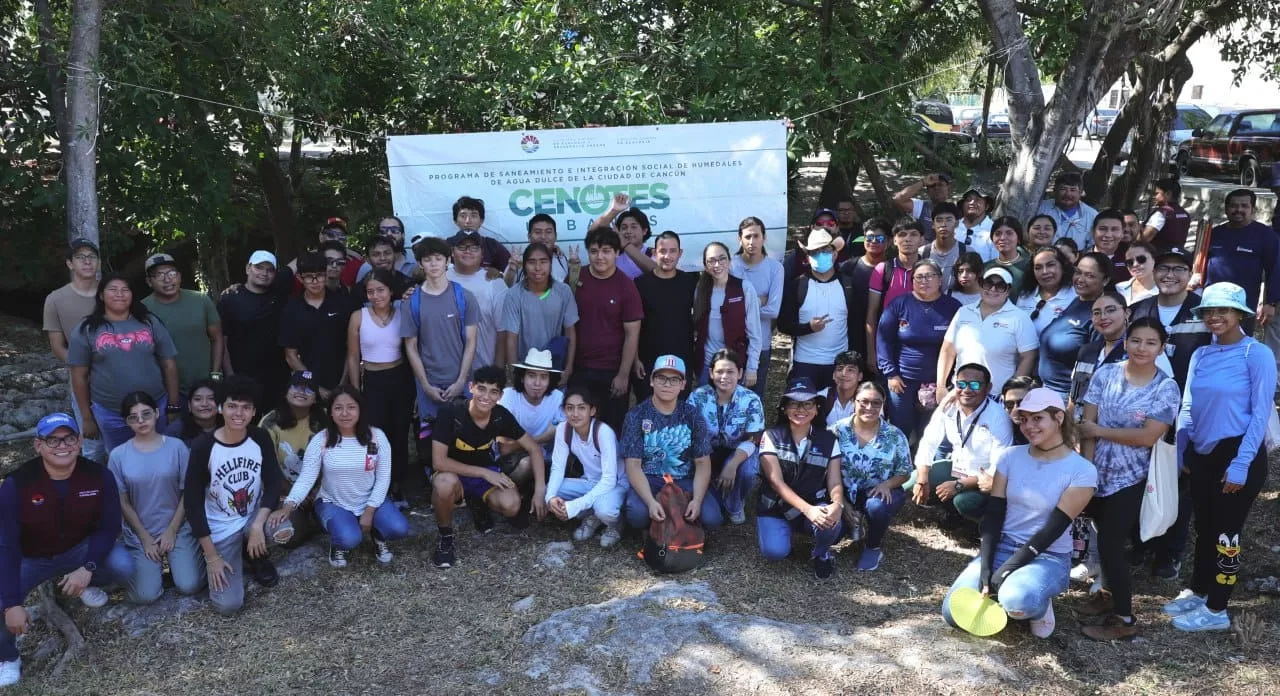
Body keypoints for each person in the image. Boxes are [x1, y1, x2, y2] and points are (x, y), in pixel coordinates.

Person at [941, 388, 1096, 639]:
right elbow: (994, 515)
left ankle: (1038, 603)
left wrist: (1005, 570)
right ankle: (1010, 589)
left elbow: (1052, 529)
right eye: (1024, 419)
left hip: (1048, 555)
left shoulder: (1082, 470)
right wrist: (987, 566)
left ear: (1058, 418)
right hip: (1004, 545)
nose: (1029, 426)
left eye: (1038, 418)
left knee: (1017, 601)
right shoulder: (1010, 457)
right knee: (952, 613)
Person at [1167, 282, 1276, 632]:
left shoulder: (1256, 354)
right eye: (1209, 311)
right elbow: (1187, 405)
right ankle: (1200, 591)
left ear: (1239, 314)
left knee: (1227, 535)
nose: (1215, 317)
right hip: (1202, 453)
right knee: (1205, 527)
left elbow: (1260, 413)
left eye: (1223, 311)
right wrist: (1183, 449)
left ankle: (1217, 609)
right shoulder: (1201, 354)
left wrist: (1241, 464)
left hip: (1237, 452)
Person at [0, 413, 133, 688]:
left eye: (69, 438)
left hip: (79, 551)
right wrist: (13, 603)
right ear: (39, 445)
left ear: (80, 441)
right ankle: (8, 657)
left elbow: (109, 528)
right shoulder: (16, 484)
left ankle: (84, 585)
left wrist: (88, 569)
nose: (62, 446)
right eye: (53, 440)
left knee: (124, 565)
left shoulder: (98, 475)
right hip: (33, 558)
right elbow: (7, 545)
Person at [1075, 318, 1180, 640]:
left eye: (1150, 343)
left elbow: (1148, 436)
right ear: (1126, 342)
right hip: (1098, 473)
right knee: (1098, 534)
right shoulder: (1106, 374)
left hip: (1133, 477)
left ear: (1161, 348)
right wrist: (1087, 472)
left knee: (1110, 543)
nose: (1142, 348)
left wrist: (1100, 431)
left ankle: (1124, 619)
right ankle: (1106, 596)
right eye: (1136, 340)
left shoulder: (1166, 387)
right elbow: (1085, 425)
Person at [183, 376, 291, 615]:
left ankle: (257, 555)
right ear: (221, 408)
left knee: (284, 529)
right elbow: (192, 503)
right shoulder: (203, 447)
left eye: (246, 407)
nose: (238, 413)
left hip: (251, 516)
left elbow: (273, 483)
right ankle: (239, 553)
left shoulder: (259, 437)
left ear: (254, 412)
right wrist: (211, 556)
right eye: (232, 406)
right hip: (221, 527)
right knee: (228, 605)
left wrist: (257, 525)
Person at [273, 386, 409, 568]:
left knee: (398, 528)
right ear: (330, 413)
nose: (345, 413)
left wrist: (369, 513)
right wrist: (288, 506)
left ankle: (378, 535)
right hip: (333, 502)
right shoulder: (321, 440)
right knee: (349, 538)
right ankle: (338, 544)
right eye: (338, 408)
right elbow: (306, 478)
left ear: (360, 410)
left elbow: (383, 478)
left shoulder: (377, 437)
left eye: (351, 407)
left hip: (370, 501)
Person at [428, 366, 547, 568]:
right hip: (453, 472)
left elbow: (534, 449)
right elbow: (439, 462)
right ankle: (445, 539)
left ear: (500, 395)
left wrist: (540, 490)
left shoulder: (501, 415)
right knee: (444, 483)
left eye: (493, 392)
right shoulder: (451, 412)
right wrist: (484, 473)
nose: (486, 396)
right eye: (481, 389)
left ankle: (478, 502)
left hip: (485, 475)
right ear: (471, 387)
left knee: (512, 505)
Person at [68, 273, 182, 453]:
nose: (119, 294)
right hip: (110, 412)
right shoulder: (87, 328)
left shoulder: (149, 322)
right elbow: (79, 375)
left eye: (125, 289)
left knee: (160, 455)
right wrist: (87, 417)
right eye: (113, 289)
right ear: (101, 295)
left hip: (155, 408)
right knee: (120, 458)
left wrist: (173, 404)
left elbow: (169, 364)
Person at [109, 392, 204, 603]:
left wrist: (171, 531)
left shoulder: (176, 447)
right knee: (145, 595)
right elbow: (122, 501)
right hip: (142, 531)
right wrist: (145, 538)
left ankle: (183, 563)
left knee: (189, 585)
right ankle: (150, 572)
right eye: (134, 417)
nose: (141, 421)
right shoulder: (118, 455)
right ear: (127, 422)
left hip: (177, 526)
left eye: (146, 414)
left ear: (157, 413)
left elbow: (187, 492)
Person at [621, 355, 722, 530]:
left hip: (685, 479)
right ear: (652, 380)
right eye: (661, 378)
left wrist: (697, 501)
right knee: (637, 514)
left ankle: (679, 524)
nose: (667, 384)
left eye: (674, 379)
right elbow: (633, 465)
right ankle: (659, 526)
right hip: (650, 479)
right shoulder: (636, 416)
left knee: (712, 519)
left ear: (683, 384)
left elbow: (702, 462)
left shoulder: (693, 415)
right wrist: (650, 502)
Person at [757, 377, 844, 578]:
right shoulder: (770, 436)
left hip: (814, 501)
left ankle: (821, 554)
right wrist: (808, 510)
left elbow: (834, 480)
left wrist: (837, 504)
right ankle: (786, 536)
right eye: (794, 404)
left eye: (807, 404)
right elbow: (775, 482)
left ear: (816, 409)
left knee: (833, 523)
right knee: (774, 552)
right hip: (776, 507)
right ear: (784, 408)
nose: (801, 409)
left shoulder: (829, 440)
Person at [346, 268, 415, 507]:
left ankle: (398, 487)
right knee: (375, 437)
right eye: (370, 291)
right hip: (373, 381)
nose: (376, 296)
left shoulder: (403, 312)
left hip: (400, 378)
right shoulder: (358, 316)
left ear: (391, 291)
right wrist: (356, 390)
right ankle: (376, 486)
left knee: (399, 434)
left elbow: (412, 349)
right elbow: (353, 357)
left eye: (380, 290)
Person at [402, 235, 480, 448]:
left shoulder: (465, 297)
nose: (433, 264)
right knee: (433, 448)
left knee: (467, 444)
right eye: (427, 260)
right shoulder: (411, 302)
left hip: (462, 385)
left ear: (448, 260)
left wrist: (461, 381)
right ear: (420, 263)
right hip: (429, 387)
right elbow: (411, 346)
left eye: (438, 258)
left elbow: (471, 341)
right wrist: (426, 386)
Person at [912, 363, 1014, 524]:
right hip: (957, 469)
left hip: (982, 480)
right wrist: (922, 479)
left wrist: (959, 485)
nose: (967, 390)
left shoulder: (998, 417)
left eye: (974, 384)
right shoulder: (948, 406)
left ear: (988, 388)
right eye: (961, 384)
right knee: (913, 480)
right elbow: (929, 441)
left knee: (965, 502)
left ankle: (978, 526)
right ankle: (950, 512)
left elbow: (998, 467)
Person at [831, 382, 912, 571]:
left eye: (876, 403)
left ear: (883, 404)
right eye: (864, 402)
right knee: (834, 536)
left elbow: (905, 471)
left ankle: (872, 546)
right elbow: (826, 470)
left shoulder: (894, 435)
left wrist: (887, 484)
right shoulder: (837, 430)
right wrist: (841, 503)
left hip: (879, 492)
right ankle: (852, 523)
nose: (869, 407)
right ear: (853, 401)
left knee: (876, 507)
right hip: (841, 491)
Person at [876, 258, 961, 440]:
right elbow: (883, 339)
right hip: (902, 381)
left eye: (930, 276)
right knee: (900, 430)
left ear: (940, 280)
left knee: (931, 432)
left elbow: (960, 346)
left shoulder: (953, 307)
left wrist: (946, 383)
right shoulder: (899, 304)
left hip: (938, 383)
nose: (924, 281)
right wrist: (890, 373)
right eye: (919, 277)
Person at [573, 228, 644, 431]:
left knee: (612, 429)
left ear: (617, 253)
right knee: (580, 427)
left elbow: (632, 334)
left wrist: (623, 375)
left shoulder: (626, 286)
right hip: (579, 369)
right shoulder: (576, 277)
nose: (600, 257)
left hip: (612, 372)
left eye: (606, 251)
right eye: (594, 251)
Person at [43, 238, 106, 462]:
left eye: (92, 257)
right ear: (70, 263)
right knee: (92, 445)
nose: (87, 262)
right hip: (81, 380)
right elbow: (58, 346)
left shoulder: (113, 293)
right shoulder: (55, 299)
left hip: (118, 375)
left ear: (98, 262)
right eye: (80, 257)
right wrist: (82, 368)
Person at [937, 267, 1038, 405]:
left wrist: (1012, 392)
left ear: (1008, 290)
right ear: (981, 285)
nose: (993, 289)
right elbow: (947, 350)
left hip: (997, 397)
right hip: (961, 393)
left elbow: (1029, 356)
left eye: (1000, 286)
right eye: (988, 283)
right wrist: (941, 386)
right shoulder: (963, 312)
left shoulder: (1020, 318)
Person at [687, 350, 766, 525]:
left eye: (730, 372)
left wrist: (732, 464)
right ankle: (709, 489)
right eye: (719, 371)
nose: (724, 377)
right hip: (706, 452)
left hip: (738, 450)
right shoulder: (698, 397)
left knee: (748, 472)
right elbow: (692, 435)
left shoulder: (751, 399)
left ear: (740, 373)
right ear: (710, 373)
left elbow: (754, 438)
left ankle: (735, 503)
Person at [778, 228, 862, 392]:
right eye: (815, 252)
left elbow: (857, 324)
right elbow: (783, 324)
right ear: (808, 258)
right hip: (805, 363)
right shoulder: (797, 285)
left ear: (835, 254)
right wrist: (808, 327)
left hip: (839, 365)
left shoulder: (848, 285)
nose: (821, 255)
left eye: (825, 250)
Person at [545, 386, 628, 548]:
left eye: (581, 408)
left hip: (616, 485)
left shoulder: (603, 432)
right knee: (549, 490)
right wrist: (550, 498)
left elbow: (610, 479)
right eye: (570, 408)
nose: (575, 414)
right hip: (590, 482)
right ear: (564, 410)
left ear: (592, 410)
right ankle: (592, 516)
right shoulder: (563, 429)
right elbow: (557, 467)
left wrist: (575, 505)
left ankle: (616, 524)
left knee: (605, 509)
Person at [1068, 290, 1174, 412]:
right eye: (1097, 313)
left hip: (1124, 428)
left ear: (1127, 313)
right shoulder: (1087, 351)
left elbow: (1164, 397)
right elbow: (1074, 397)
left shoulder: (1143, 350)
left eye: (1110, 310)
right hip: (1080, 425)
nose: (1103, 317)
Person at [1198, 189, 1280, 337]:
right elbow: (1199, 265)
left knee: (1237, 346)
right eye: (1233, 206)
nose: (1238, 210)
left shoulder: (1266, 236)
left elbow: (1275, 270)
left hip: (1243, 306)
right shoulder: (1214, 234)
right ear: (1226, 209)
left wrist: (1271, 303)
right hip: (1210, 303)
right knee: (1204, 342)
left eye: (1244, 206)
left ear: (1253, 209)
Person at [218, 250, 292, 413]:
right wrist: (230, 375)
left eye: (270, 269)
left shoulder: (280, 295)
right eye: (259, 267)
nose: (264, 273)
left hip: (278, 378)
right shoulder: (230, 298)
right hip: (242, 376)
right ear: (247, 268)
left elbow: (299, 264)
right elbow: (222, 340)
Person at [141, 253, 224, 396]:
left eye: (171, 273)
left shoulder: (201, 300)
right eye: (159, 275)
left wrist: (215, 373)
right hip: (165, 390)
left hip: (206, 386)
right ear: (149, 281)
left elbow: (217, 338)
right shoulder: (142, 309)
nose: (167, 280)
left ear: (179, 275)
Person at [632, 230, 698, 402]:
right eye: (662, 251)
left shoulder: (690, 282)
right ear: (654, 253)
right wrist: (635, 359)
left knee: (680, 412)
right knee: (648, 411)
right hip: (648, 361)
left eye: (672, 251)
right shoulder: (640, 284)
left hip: (682, 359)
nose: (667, 256)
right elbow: (633, 325)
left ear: (680, 253)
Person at [258, 371, 325, 537]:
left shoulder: (325, 420)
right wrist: (295, 494)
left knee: (332, 527)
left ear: (316, 398)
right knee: (292, 537)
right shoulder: (270, 422)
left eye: (309, 389)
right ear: (287, 391)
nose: (302, 391)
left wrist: (315, 491)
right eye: (296, 386)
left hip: (319, 491)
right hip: (285, 491)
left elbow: (332, 462)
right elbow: (268, 468)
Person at [279, 252, 353, 399]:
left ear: (326, 275)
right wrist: (315, 387)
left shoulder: (342, 304)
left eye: (319, 275)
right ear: (300, 278)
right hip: (307, 386)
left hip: (343, 382)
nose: (315, 281)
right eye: (308, 276)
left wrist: (343, 383)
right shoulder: (291, 309)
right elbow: (291, 356)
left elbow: (352, 348)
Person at [1036, 252, 1110, 398]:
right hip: (1047, 390)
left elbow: (1096, 366)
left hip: (1068, 397)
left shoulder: (1101, 314)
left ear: (1105, 280)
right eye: (1078, 272)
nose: (1080, 279)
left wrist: (1074, 402)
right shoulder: (1076, 301)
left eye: (1089, 275)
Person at [501, 242, 579, 375]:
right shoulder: (514, 295)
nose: (538, 267)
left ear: (550, 264)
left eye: (543, 262)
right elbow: (511, 338)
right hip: (525, 368)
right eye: (532, 262)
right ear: (524, 265)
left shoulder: (563, 291)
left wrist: (569, 368)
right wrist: (515, 374)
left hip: (555, 367)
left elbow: (570, 332)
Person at [731, 217, 785, 399]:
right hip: (732, 344)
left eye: (756, 236)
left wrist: (740, 306)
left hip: (761, 344)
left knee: (754, 400)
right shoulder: (730, 266)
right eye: (747, 237)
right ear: (740, 239)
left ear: (764, 237)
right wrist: (758, 300)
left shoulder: (775, 268)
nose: (751, 241)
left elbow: (773, 311)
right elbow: (724, 309)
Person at [694, 242, 762, 385]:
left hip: (733, 367)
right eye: (711, 261)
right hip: (707, 366)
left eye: (722, 258)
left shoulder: (744, 288)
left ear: (729, 261)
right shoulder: (700, 291)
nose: (717, 264)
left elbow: (754, 333)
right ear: (706, 267)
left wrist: (752, 367)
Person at [497, 349, 565, 481]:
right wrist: (544, 437)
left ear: (550, 380)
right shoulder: (508, 396)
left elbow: (563, 432)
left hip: (543, 456)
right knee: (526, 463)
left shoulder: (558, 398)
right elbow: (504, 448)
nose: (537, 383)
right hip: (510, 460)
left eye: (543, 377)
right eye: (532, 376)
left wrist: (518, 443)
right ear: (522, 377)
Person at [448, 229, 510, 368]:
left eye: (474, 247)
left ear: (482, 253)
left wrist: (497, 371)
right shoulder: (440, 278)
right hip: (447, 374)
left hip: (482, 374)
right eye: (462, 246)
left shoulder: (495, 283)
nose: (468, 251)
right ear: (452, 251)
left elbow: (502, 332)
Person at [587, 194, 657, 280]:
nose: (628, 231)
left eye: (633, 227)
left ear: (644, 231)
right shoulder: (614, 254)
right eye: (624, 227)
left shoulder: (654, 254)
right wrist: (613, 211)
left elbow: (656, 272)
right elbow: (592, 234)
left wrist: (625, 244)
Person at [1016, 247, 1078, 335]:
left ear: (1063, 266)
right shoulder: (1025, 295)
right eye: (1038, 267)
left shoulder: (1075, 295)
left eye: (1050, 265)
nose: (1044, 272)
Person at [505, 213, 578, 285]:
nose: (543, 236)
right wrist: (511, 271)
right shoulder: (519, 261)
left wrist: (574, 270)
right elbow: (506, 287)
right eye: (538, 232)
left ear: (555, 236)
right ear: (529, 237)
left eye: (548, 232)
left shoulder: (561, 259)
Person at [1036, 171, 1097, 249]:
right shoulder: (1040, 207)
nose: (1068, 194)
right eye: (1063, 189)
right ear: (1055, 190)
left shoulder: (1092, 215)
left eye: (1073, 190)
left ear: (1081, 192)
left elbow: (1092, 245)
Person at [450, 196, 511, 273]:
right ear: (455, 221)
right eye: (463, 216)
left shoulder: (492, 246)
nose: (468, 221)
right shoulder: (446, 245)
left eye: (473, 215)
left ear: (481, 221)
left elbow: (508, 276)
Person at [355, 216, 417, 282]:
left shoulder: (415, 263)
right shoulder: (366, 268)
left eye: (394, 231)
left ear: (403, 235)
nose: (389, 234)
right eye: (383, 231)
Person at [922, 203, 970, 289]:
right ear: (933, 224)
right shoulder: (922, 253)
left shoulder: (968, 253)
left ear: (956, 223)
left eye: (949, 220)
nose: (943, 224)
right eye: (939, 220)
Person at [892, 171, 953, 238]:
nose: (936, 188)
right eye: (932, 186)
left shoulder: (955, 210)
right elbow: (898, 200)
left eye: (940, 185)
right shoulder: (920, 206)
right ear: (927, 191)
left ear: (948, 188)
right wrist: (923, 182)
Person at [1138, 178, 1191, 249]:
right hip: (1178, 257)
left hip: (1159, 257)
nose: (1154, 197)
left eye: (1156, 193)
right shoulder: (1185, 214)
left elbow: (1144, 239)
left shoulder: (1162, 214)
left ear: (1168, 194)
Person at [983, 217, 1031, 295]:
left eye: (1009, 233)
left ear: (1018, 238)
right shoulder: (985, 267)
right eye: (998, 234)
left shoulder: (1030, 267)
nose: (1002, 238)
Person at [817, 351, 865, 427]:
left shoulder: (868, 401)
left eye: (850, 370)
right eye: (840, 369)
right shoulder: (821, 397)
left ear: (860, 376)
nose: (844, 373)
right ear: (833, 375)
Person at [168, 378, 222, 444]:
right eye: (198, 399)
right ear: (189, 405)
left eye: (211, 398)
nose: (204, 404)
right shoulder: (176, 430)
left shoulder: (229, 427)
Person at [1090, 209, 1130, 283]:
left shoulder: (1133, 258)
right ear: (1093, 231)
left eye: (1114, 229)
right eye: (1103, 229)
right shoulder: (1081, 257)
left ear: (1122, 232)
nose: (1108, 235)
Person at [1000, 376, 1040, 446]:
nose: (1015, 409)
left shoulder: (1047, 428)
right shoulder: (999, 424)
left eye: (1022, 403)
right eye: (1009, 404)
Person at [956, 188, 996, 258]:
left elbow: (997, 263)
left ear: (987, 206)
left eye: (978, 200)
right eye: (968, 200)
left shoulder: (995, 230)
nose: (972, 203)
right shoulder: (952, 227)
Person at [834, 198, 864, 262]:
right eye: (842, 210)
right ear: (836, 212)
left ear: (854, 212)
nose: (846, 213)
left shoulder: (863, 232)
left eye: (849, 210)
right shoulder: (831, 233)